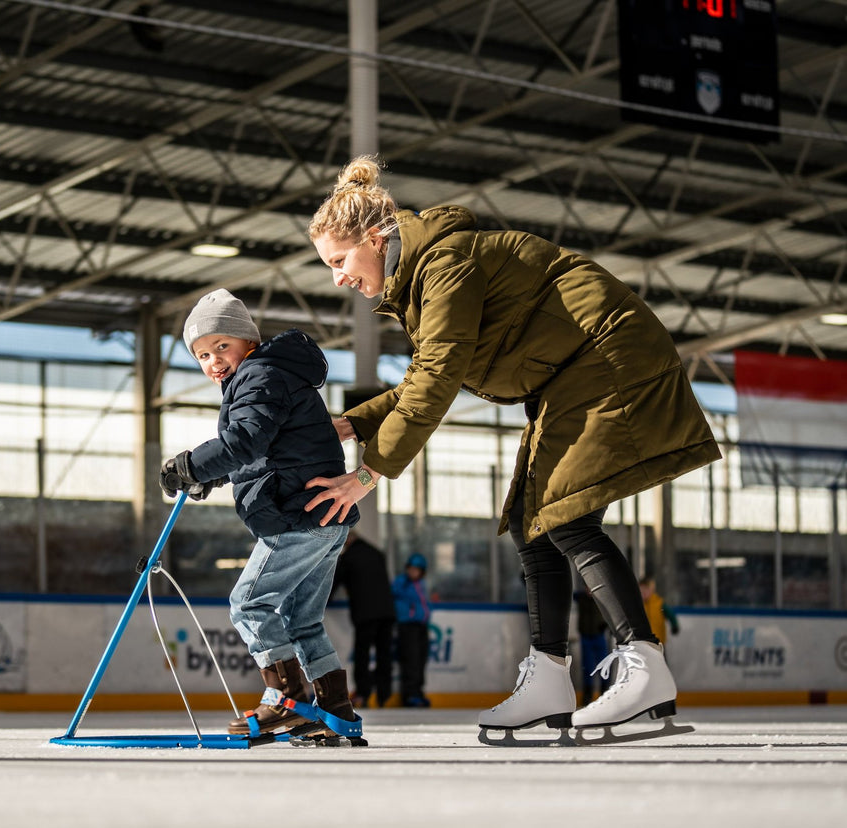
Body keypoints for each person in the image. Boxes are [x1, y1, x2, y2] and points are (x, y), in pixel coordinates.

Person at [302, 156, 721, 733]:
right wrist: (353, 423)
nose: (338, 278)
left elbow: (438, 377)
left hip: (605, 356)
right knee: (532, 520)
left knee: (566, 517)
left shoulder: (445, 263)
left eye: (340, 261)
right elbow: (427, 373)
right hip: (571, 375)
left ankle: (645, 665)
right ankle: (550, 677)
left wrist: (368, 474)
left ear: (375, 237)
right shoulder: (423, 275)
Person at [159, 288, 362, 743]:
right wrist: (212, 476)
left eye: (221, 347)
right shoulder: (271, 376)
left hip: (296, 518)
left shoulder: (259, 376)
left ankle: (285, 700)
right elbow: (266, 454)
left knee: (249, 603)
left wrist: (191, 465)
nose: (213, 361)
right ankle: (334, 711)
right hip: (322, 519)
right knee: (301, 620)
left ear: (247, 342)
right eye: (202, 355)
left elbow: (247, 442)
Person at [331, 533, 395, 708]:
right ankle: (384, 694)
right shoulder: (376, 552)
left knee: (363, 654)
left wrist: (321, 602)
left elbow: (333, 583)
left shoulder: (349, 557)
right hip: (387, 611)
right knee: (384, 654)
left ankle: (363, 693)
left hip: (365, 613)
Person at [391, 552, 432, 707]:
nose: (414, 572)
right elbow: (393, 597)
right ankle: (409, 694)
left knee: (421, 660)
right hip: (407, 626)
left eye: (417, 570)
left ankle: (418, 692)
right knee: (411, 661)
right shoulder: (401, 582)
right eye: (412, 569)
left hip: (421, 625)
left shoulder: (421, 584)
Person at [574, 585, 610, 707]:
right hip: (586, 637)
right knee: (588, 668)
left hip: (599, 637)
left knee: (604, 666)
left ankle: (606, 694)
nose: (589, 590)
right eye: (587, 588)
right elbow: (563, 591)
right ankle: (587, 697)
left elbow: (611, 610)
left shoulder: (601, 597)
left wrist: (607, 625)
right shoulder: (580, 597)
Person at [639, 576, 680, 649]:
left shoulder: (659, 603)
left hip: (658, 642)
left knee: (661, 658)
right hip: (644, 642)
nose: (644, 593)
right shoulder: (639, 605)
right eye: (641, 591)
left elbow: (670, 615)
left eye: (646, 590)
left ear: (652, 590)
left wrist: (674, 625)